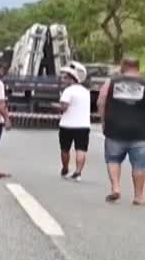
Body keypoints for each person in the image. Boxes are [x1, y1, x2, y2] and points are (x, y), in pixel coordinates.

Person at [96, 57, 145, 204]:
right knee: (140, 165)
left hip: (114, 129)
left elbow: (101, 101)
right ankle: (138, 196)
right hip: (140, 131)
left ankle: (116, 187)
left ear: (123, 66)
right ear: (138, 67)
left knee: (113, 159)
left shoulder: (111, 82)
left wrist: (103, 121)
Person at [57, 62, 91, 182]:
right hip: (83, 125)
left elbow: (64, 107)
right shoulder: (86, 92)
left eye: (65, 77)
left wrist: (57, 106)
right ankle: (78, 172)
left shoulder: (68, 91)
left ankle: (65, 168)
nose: (63, 79)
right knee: (81, 149)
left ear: (72, 78)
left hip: (67, 124)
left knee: (65, 149)